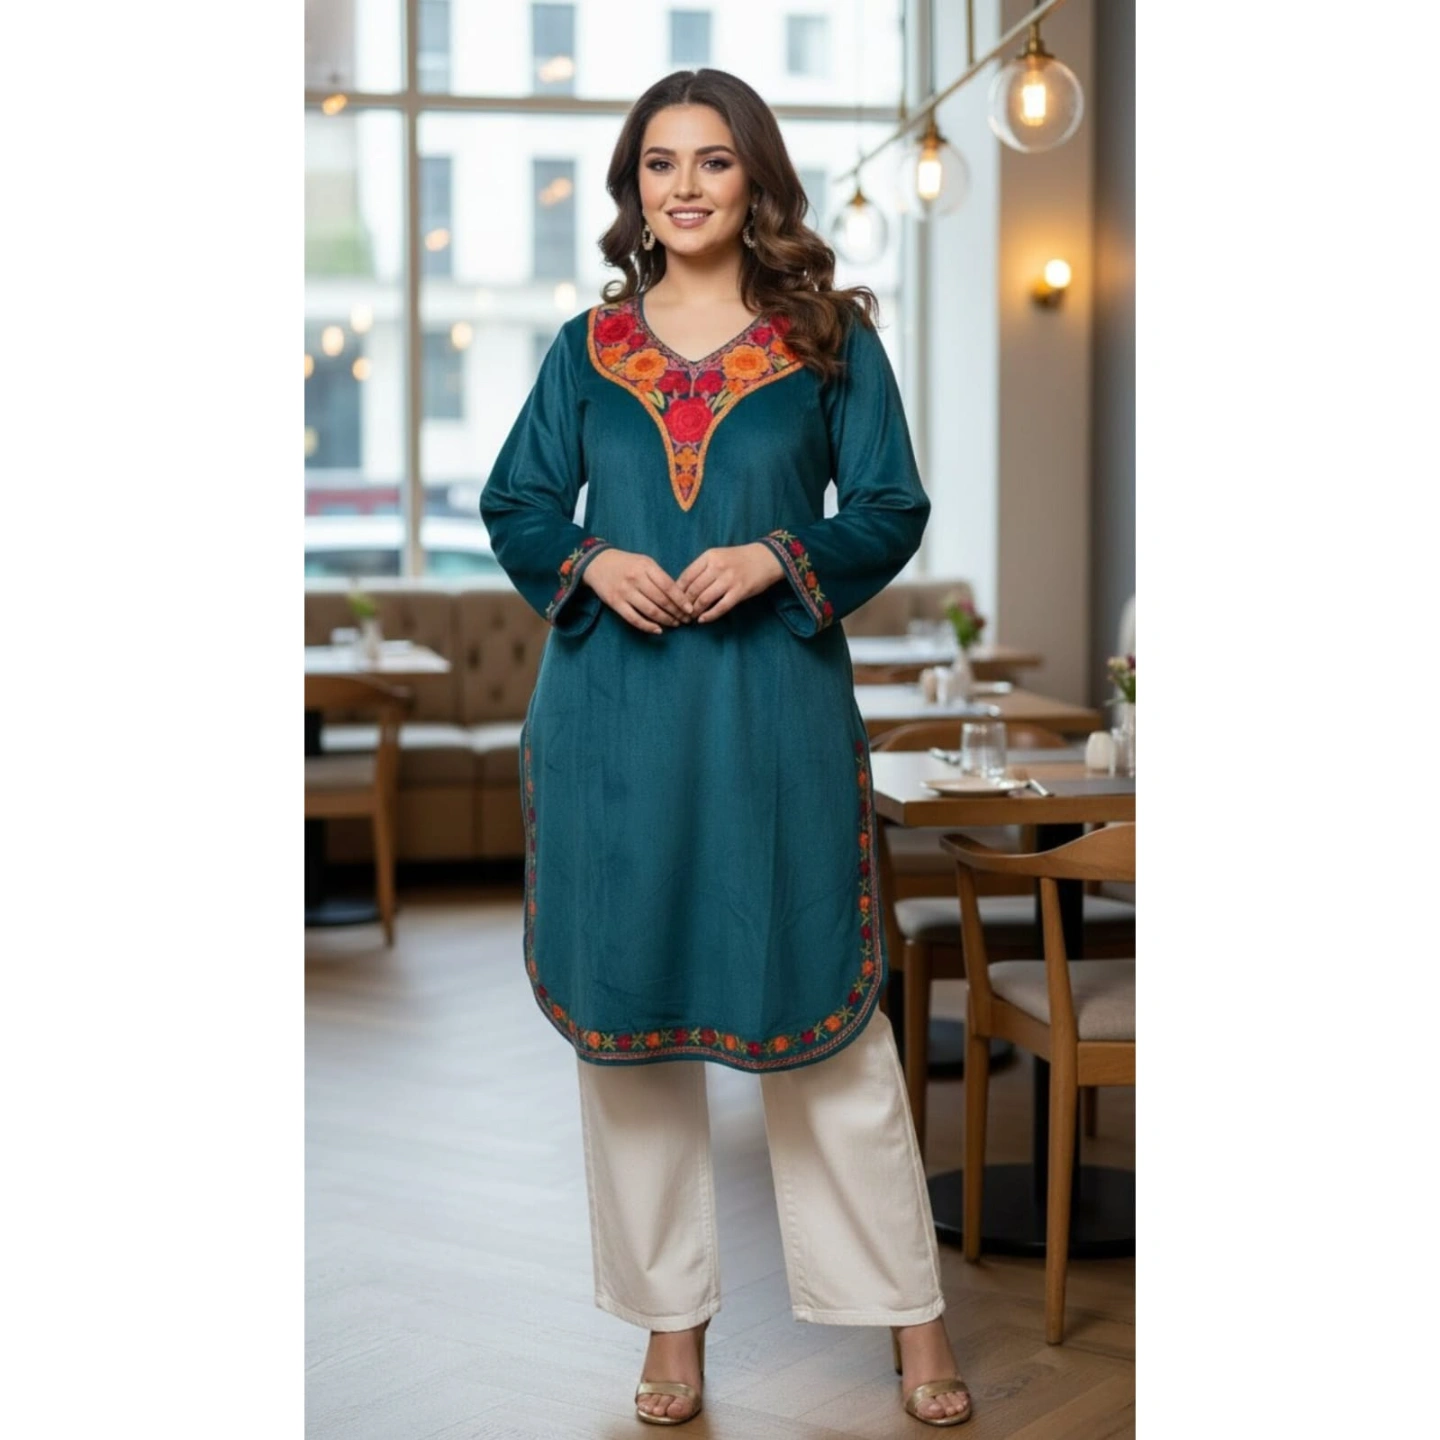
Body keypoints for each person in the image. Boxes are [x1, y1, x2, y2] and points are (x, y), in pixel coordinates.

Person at [480, 68, 973, 1429]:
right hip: (615, 727)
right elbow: (518, 502)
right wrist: (592, 559)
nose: (684, 185)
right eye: (659, 163)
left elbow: (890, 505)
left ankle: (912, 1320)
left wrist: (777, 555)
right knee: (631, 1040)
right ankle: (670, 1327)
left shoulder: (827, 340)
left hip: (771, 723)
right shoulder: (586, 350)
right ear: (633, 188)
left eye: (710, 159)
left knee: (827, 1024)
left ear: (754, 176)